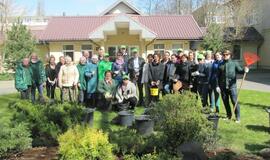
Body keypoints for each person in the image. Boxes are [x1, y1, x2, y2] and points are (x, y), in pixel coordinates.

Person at [217, 50, 249, 123]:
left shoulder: (234, 63)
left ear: (230, 55)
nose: (225, 56)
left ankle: (238, 117)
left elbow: (240, 71)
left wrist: (245, 70)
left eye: (227, 54)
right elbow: (217, 76)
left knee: (235, 101)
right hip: (223, 87)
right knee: (225, 102)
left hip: (232, 87)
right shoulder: (220, 64)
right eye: (224, 54)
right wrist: (217, 86)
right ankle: (229, 116)